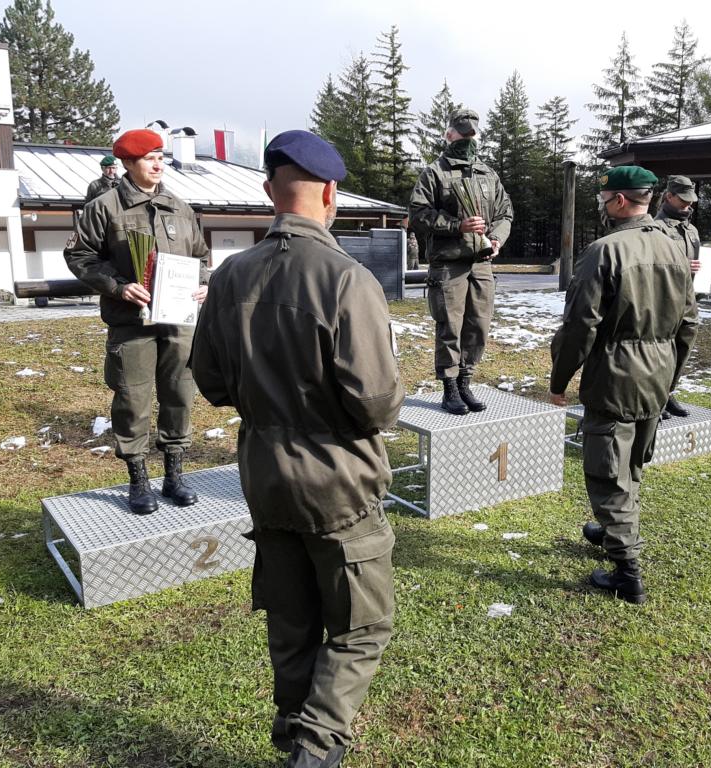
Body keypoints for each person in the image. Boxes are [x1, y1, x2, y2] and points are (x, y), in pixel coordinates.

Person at [191, 130, 404, 768]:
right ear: (332, 193)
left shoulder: (231, 275)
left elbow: (211, 382)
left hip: (263, 474)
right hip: (338, 480)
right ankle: (315, 749)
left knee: (290, 619)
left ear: (268, 191)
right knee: (361, 625)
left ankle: (292, 730)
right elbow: (375, 403)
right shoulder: (346, 279)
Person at [549, 166, 699, 604]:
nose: (601, 206)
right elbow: (689, 323)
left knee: (607, 467)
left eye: (603, 199)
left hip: (615, 374)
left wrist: (559, 381)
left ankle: (626, 570)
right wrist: (671, 377)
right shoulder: (674, 247)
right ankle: (613, 527)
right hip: (658, 372)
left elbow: (580, 327)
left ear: (617, 201)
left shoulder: (603, 251)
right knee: (631, 460)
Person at [64, 129, 209, 515]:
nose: (158, 164)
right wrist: (118, 286)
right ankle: (138, 480)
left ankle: (174, 476)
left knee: (179, 394)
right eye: (149, 158)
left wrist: (203, 284)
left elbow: (201, 257)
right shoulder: (105, 207)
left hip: (178, 322)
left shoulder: (178, 206)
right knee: (133, 399)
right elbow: (81, 256)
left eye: (161, 156)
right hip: (131, 323)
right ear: (128, 164)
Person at [409, 107, 513, 415]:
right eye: (461, 133)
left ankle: (466, 381)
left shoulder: (488, 174)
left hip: (481, 263)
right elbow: (418, 215)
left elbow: (505, 213)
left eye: (472, 134)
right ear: (448, 134)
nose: (467, 139)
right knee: (450, 327)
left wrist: (496, 239)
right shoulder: (435, 173)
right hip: (449, 264)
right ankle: (450, 388)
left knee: (478, 326)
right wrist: (456, 226)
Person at [652, 174, 701, 420]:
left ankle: (667, 391)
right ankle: (654, 399)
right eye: (683, 200)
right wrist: (683, 265)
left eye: (690, 201)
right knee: (661, 350)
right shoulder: (655, 228)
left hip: (687, 299)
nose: (687, 205)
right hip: (664, 299)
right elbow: (651, 265)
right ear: (668, 196)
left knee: (684, 345)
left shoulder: (691, 229)